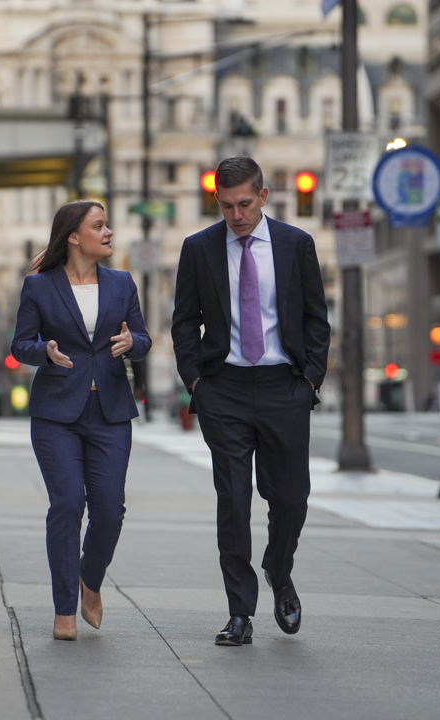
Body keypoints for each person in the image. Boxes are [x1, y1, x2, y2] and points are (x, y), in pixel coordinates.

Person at [171, 156, 330, 646]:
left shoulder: (295, 245)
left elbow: (315, 319)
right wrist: (198, 382)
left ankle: (278, 571)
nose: (236, 215)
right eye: (225, 206)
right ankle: (240, 613)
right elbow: (183, 322)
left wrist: (309, 381)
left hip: (285, 386)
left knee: (290, 499)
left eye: (244, 204)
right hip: (226, 391)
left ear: (263, 196)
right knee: (234, 503)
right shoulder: (198, 249)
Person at [11, 200, 151, 641]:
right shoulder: (39, 286)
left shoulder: (122, 283)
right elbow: (20, 344)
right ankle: (64, 610)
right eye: (98, 225)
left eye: (107, 225)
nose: (108, 232)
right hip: (56, 414)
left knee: (109, 511)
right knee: (68, 504)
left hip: (110, 412)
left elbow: (143, 339)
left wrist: (132, 341)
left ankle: (91, 580)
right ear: (74, 236)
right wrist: (44, 352)